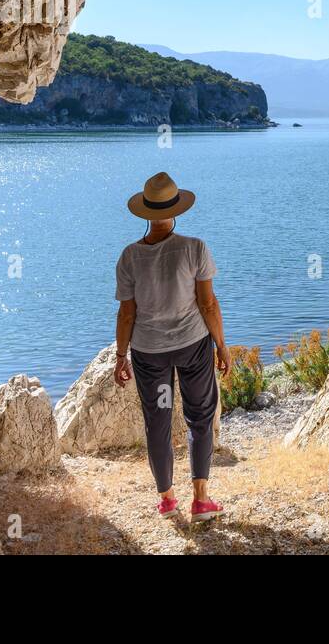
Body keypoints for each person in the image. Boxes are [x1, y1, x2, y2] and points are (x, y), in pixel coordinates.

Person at [112, 171, 231, 521]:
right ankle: (201, 499)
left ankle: (166, 499)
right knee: (199, 417)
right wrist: (222, 345)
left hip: (149, 353)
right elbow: (208, 304)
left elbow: (126, 313)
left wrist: (121, 356)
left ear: (145, 213)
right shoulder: (194, 248)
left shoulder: (129, 256)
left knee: (158, 420)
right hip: (193, 347)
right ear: (176, 210)